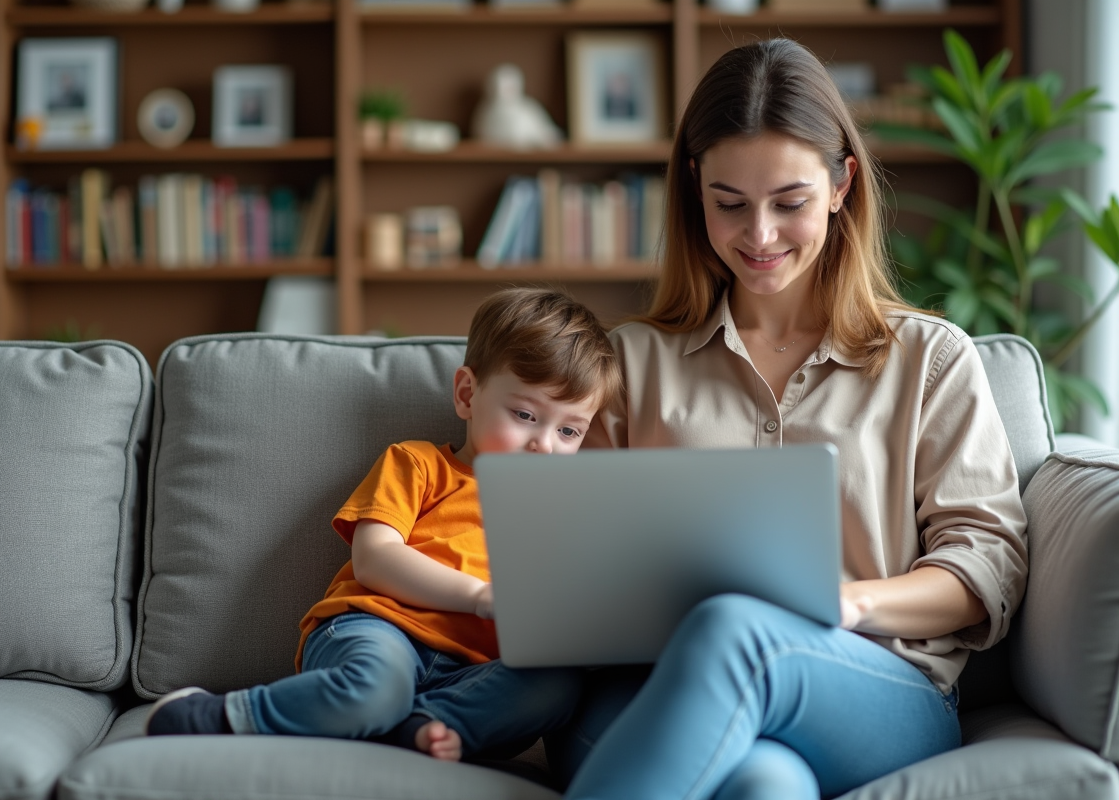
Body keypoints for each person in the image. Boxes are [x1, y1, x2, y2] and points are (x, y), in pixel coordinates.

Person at [552, 38, 1029, 800]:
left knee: (735, 631)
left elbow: (986, 565)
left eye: (789, 202)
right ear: (694, 189)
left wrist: (851, 603)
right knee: (768, 782)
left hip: (870, 686)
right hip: (652, 687)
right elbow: (570, 562)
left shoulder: (929, 360)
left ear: (841, 185)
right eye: (729, 204)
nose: (760, 235)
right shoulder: (629, 364)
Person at [145, 287, 622, 763]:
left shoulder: (558, 516)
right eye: (525, 415)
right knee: (377, 689)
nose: (544, 445)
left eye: (568, 431)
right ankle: (225, 714)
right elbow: (375, 559)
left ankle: (426, 726)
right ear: (466, 394)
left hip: (471, 672)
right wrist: (478, 596)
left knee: (556, 686)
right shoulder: (419, 464)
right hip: (379, 628)